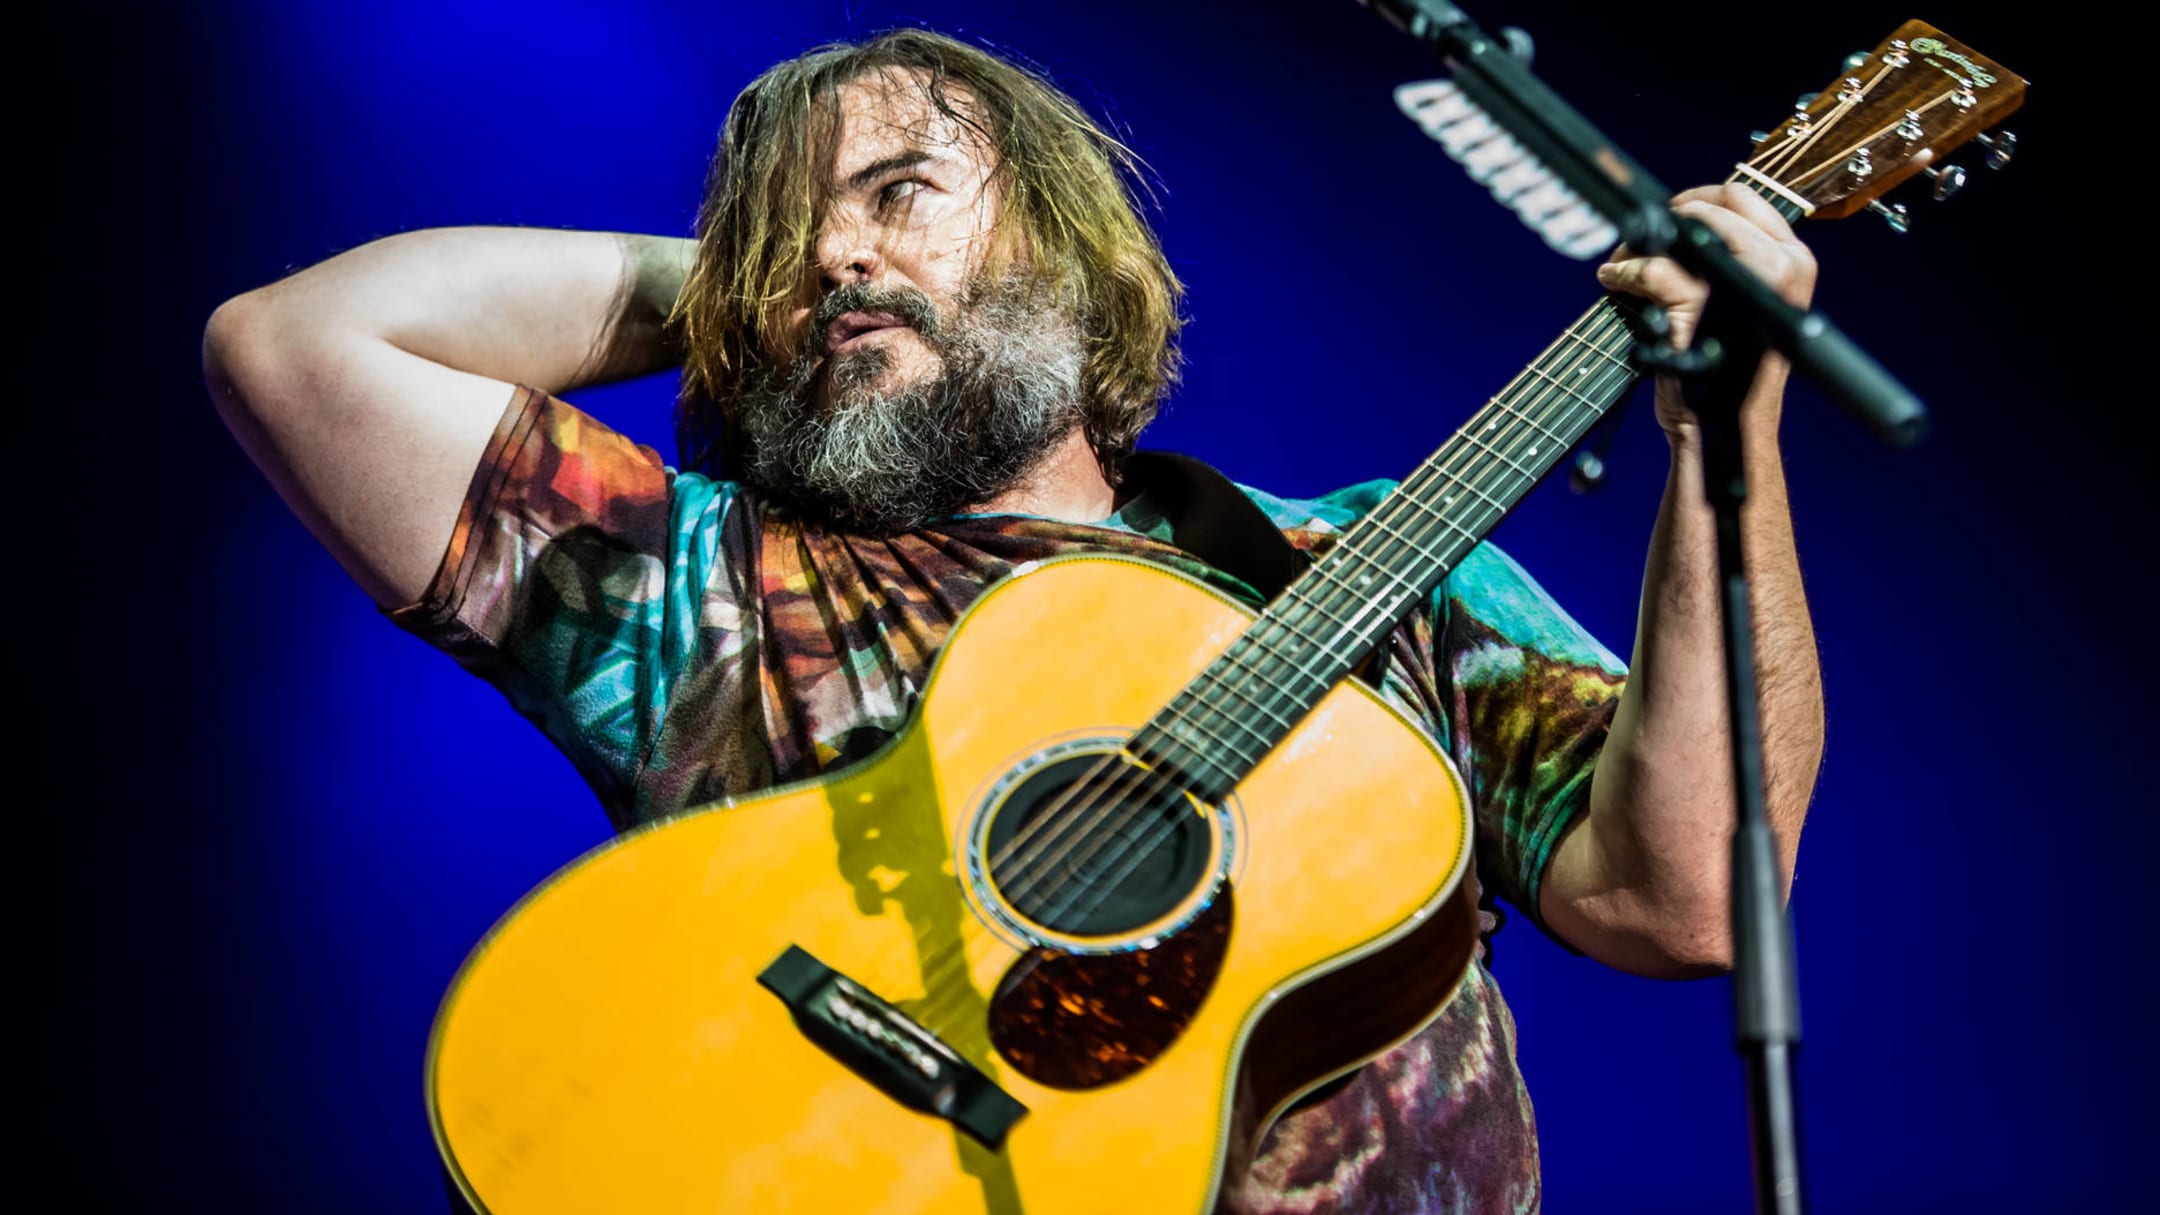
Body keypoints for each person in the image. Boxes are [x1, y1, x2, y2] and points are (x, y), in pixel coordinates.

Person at [201, 27, 1821, 1215]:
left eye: (902, 191)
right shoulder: (718, 591)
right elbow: (304, 346)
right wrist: (773, 278)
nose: (838, 248)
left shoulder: (1377, 561)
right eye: (796, 229)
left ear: (1065, 244)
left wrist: (1728, 436)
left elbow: (1684, 902)